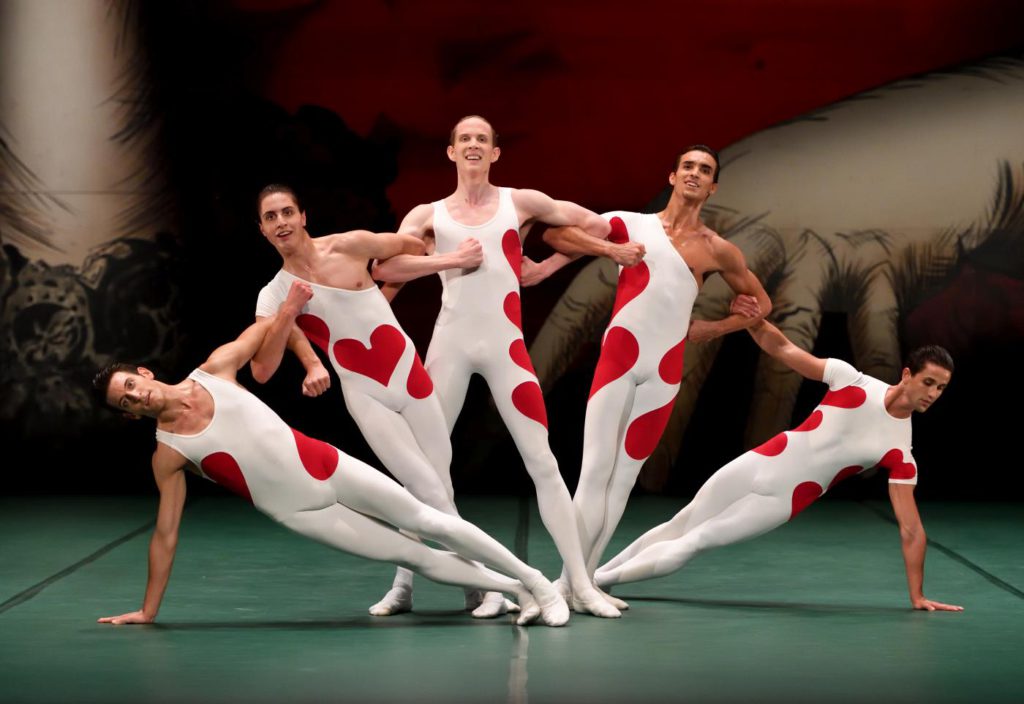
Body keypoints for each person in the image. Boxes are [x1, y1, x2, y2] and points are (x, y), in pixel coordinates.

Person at [93, 282, 569, 627]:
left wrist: (293, 312)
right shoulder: (169, 454)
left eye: (132, 386)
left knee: (431, 521)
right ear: (130, 416)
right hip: (303, 512)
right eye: (126, 402)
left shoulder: (215, 369)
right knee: (413, 554)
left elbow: (260, 331)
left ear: (145, 372)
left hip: (326, 462)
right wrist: (148, 610)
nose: (137, 397)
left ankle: (537, 582)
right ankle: (516, 589)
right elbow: (165, 535)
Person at [371, 115, 644, 618]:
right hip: (449, 348)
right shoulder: (428, 214)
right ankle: (403, 585)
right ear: (450, 152)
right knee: (425, 467)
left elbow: (594, 224)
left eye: (482, 139)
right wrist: (449, 261)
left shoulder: (522, 202)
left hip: (506, 349)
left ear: (495, 153)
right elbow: (386, 267)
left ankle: (580, 585)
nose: (473, 145)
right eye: (464, 139)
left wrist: (558, 263)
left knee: (542, 462)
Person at [521, 145, 771, 606]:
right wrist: (610, 249)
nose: (695, 174)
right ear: (672, 176)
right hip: (619, 360)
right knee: (594, 471)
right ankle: (569, 582)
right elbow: (557, 236)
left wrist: (714, 327)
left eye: (705, 171)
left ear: (713, 187)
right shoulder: (631, 224)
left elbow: (763, 305)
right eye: (688, 167)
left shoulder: (719, 249)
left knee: (623, 480)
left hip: (665, 373)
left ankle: (585, 581)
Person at [251, 184, 508, 618]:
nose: (281, 223)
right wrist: (289, 314)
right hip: (367, 394)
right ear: (262, 229)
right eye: (271, 217)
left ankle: (405, 585)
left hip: (413, 379)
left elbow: (406, 248)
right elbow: (262, 369)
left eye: (287, 212)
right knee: (426, 489)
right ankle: (491, 584)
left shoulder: (350, 245)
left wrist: (449, 259)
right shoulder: (274, 294)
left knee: (435, 487)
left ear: (303, 216)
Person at [594, 318, 962, 613]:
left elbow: (912, 530)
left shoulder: (901, 451)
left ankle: (590, 583)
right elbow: (784, 348)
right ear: (907, 374)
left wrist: (918, 594)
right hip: (760, 461)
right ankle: (589, 581)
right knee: (681, 523)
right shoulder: (853, 380)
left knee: (696, 540)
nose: (932, 394)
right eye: (928, 382)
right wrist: (747, 319)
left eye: (941, 388)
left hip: (782, 499)